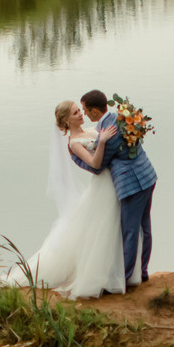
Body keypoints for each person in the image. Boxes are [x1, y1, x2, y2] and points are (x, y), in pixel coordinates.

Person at [26, 100, 126, 298]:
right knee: (104, 230)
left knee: (112, 229)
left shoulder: (92, 128)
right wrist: (103, 141)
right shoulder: (74, 142)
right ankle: (102, 276)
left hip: (114, 181)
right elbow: (95, 164)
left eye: (80, 111)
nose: (81, 114)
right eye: (75, 113)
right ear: (66, 121)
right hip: (103, 185)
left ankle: (118, 271)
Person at [81, 88, 158, 290]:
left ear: (95, 111)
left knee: (130, 231)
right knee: (144, 227)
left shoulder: (109, 134)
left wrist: (77, 157)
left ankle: (123, 279)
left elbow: (98, 165)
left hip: (132, 184)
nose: (84, 115)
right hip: (147, 175)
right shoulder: (120, 116)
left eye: (85, 110)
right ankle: (142, 272)